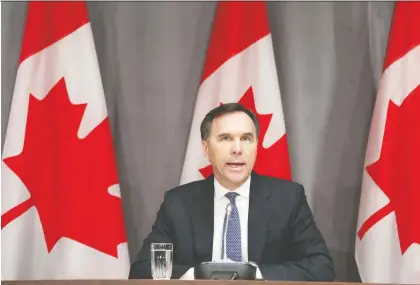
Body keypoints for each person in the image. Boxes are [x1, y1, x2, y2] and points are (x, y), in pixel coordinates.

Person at [128, 103, 335, 281]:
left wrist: (254, 274)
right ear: (206, 148)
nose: (237, 149)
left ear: (256, 146)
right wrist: (199, 275)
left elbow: (321, 266)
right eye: (226, 138)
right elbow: (143, 270)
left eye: (246, 138)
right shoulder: (178, 203)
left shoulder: (288, 199)